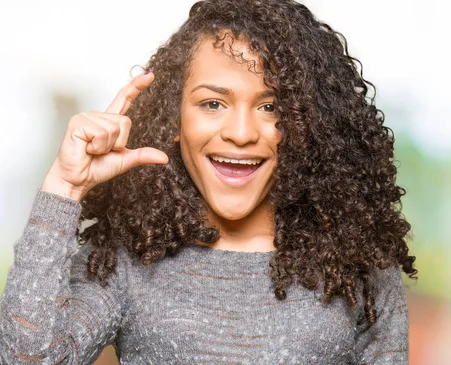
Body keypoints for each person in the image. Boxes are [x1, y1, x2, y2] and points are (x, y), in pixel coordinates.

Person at [0, 0, 417, 363]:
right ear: (175, 118)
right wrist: (64, 187)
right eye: (212, 103)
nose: (240, 132)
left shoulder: (357, 263)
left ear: (308, 122)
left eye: (271, 106)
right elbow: (27, 358)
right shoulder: (124, 258)